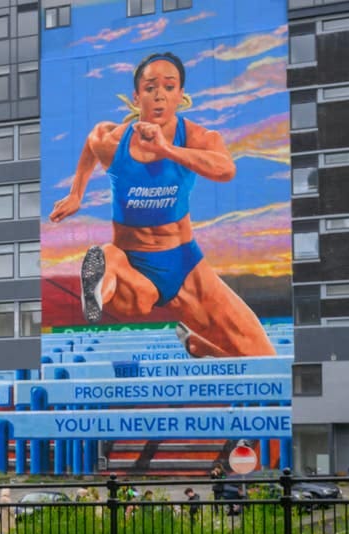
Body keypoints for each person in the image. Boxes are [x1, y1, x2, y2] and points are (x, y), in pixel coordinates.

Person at [48, 52, 275, 358]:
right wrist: (77, 193)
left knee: (261, 355)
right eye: (151, 87)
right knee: (129, 285)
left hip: (184, 263)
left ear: (180, 95)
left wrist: (168, 150)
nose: (159, 96)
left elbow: (225, 169)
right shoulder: (113, 142)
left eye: (169, 87)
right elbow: (91, 142)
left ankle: (198, 346)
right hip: (131, 261)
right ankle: (101, 283)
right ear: (137, 96)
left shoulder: (196, 137)